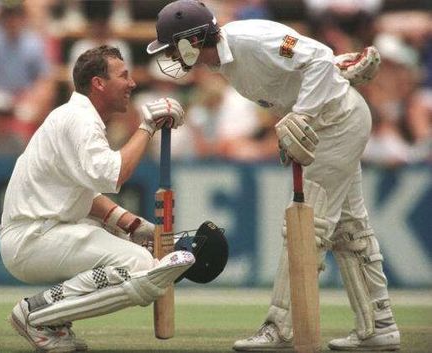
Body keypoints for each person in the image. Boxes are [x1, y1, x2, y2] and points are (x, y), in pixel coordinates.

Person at [146, 0, 399, 351]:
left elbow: (316, 57)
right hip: (328, 125)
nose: (171, 56)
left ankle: (280, 328)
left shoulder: (248, 39)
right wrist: (335, 71)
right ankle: (379, 325)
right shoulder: (222, 60)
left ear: (191, 40)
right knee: (349, 227)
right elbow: (303, 66)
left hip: (336, 124)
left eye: (173, 46)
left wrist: (306, 110)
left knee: (307, 231)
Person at [0, 45, 193, 352]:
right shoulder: (80, 120)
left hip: (39, 234)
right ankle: (37, 314)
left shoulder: (75, 117)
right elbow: (111, 176)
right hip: (33, 237)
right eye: (123, 75)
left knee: (135, 258)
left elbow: (82, 190)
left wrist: (127, 222)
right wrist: (147, 126)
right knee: (140, 264)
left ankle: (49, 320)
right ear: (98, 83)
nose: (132, 83)